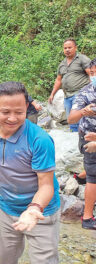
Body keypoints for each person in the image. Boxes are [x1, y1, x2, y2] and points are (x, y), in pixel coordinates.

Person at [0, 82, 60, 264]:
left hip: (41, 212)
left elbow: (46, 185)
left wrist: (33, 209)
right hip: (7, 209)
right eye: (5, 112)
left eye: (19, 112)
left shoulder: (40, 140)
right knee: (2, 259)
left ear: (27, 108)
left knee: (44, 260)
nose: (12, 118)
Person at [67, 58, 96, 230]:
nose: (94, 76)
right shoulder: (85, 93)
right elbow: (71, 118)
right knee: (94, 178)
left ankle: (80, 176)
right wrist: (83, 112)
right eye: (92, 73)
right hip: (88, 139)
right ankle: (87, 218)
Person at [48, 38, 91, 132]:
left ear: (75, 48)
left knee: (81, 119)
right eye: (65, 48)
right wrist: (52, 94)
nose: (67, 50)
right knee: (71, 120)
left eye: (70, 47)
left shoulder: (82, 59)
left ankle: (84, 140)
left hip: (80, 94)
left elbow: (91, 73)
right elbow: (58, 80)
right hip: (67, 95)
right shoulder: (62, 64)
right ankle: (73, 141)